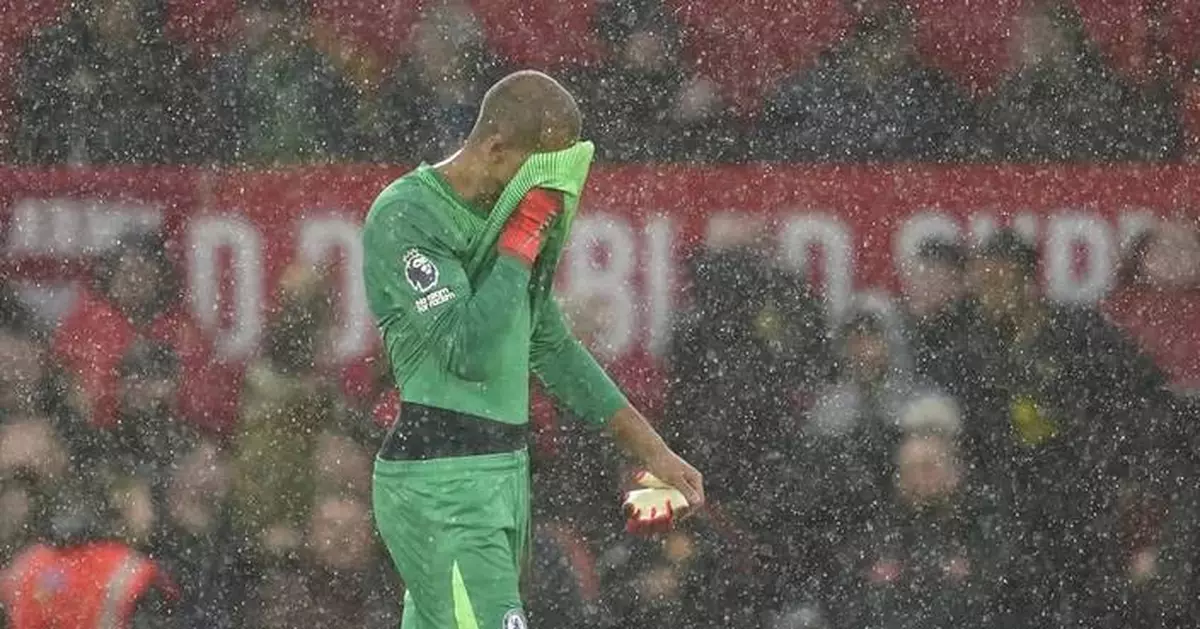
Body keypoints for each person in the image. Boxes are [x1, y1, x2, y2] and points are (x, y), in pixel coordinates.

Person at [362, 70, 704, 629]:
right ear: (496, 149)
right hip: (443, 483)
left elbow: (554, 350)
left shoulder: (505, 225)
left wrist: (652, 450)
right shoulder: (408, 214)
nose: (546, 193)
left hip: (502, 477)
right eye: (537, 172)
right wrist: (520, 244)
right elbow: (465, 348)